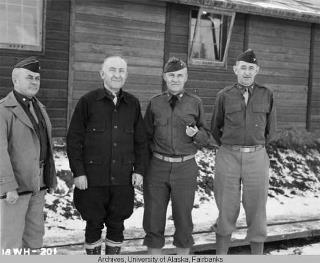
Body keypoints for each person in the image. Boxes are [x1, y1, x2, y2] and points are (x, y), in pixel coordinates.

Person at [67, 56, 148, 255]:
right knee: (93, 224)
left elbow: (141, 141)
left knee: (117, 224)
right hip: (92, 179)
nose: (117, 75)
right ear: (102, 74)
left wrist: (139, 170)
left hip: (122, 179)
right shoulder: (87, 102)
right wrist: (78, 172)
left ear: (126, 75)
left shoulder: (133, 104)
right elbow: (74, 140)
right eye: (112, 70)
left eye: (121, 71)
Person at [210, 49, 277, 254]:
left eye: (251, 68)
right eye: (243, 68)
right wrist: (231, 145)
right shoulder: (224, 95)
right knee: (226, 207)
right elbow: (215, 126)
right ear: (235, 69)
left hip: (257, 156)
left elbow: (271, 130)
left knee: (257, 208)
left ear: (257, 70)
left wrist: (254, 146)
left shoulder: (267, 94)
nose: (247, 72)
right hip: (228, 155)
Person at [143, 57, 211, 255]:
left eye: (179, 75)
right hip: (157, 167)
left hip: (185, 168)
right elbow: (145, 137)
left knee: (183, 219)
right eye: (171, 75)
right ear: (165, 77)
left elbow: (206, 136)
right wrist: (143, 168)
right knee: (153, 218)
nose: (175, 79)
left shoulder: (195, 103)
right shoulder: (155, 103)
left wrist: (196, 134)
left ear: (186, 77)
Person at [0, 57, 57, 254]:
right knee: (11, 243)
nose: (34, 82)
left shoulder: (39, 108)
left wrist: (49, 178)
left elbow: (45, 145)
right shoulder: (3, 109)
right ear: (15, 80)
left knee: (34, 240)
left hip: (37, 185)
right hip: (16, 188)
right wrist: (8, 186)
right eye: (29, 77)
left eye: (37, 78)